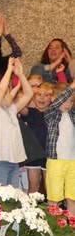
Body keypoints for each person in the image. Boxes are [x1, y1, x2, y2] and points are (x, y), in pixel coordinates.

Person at [0, 58, 33, 188]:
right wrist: (9, 69)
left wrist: (20, 74)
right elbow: (1, 89)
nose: (10, 94)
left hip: (13, 161)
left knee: (12, 199)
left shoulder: (12, 110)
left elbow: (29, 93)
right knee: (0, 198)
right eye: (8, 92)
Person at [44, 80, 75, 215]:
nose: (68, 104)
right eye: (65, 100)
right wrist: (72, 86)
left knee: (72, 197)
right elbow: (57, 103)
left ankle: (72, 226)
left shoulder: (72, 115)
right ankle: (54, 228)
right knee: (54, 198)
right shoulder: (51, 114)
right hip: (55, 161)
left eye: (71, 101)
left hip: (72, 161)